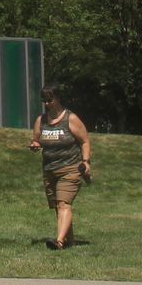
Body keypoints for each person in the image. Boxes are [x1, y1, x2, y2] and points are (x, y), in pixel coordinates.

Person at [29, 85, 90, 250]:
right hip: (50, 169)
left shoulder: (70, 118)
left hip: (70, 168)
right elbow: (36, 140)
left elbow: (84, 141)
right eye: (44, 100)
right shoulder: (41, 120)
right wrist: (35, 145)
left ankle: (59, 241)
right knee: (59, 205)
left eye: (49, 100)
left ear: (57, 98)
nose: (47, 103)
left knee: (64, 203)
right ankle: (70, 240)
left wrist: (86, 161)